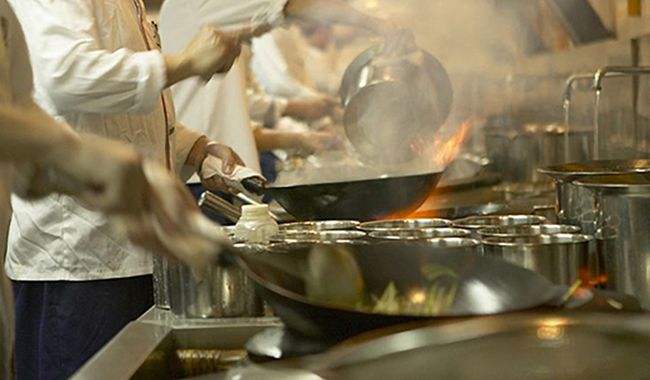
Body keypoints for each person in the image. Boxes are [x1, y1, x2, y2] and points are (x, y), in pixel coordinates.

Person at [5, 0, 253, 378]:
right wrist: (186, 62)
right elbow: (66, 75)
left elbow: (57, 109)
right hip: (80, 263)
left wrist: (195, 149)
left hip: (134, 250)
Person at [159, 0, 392, 200]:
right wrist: (382, 26)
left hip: (220, 172)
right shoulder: (197, 3)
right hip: (201, 179)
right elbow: (296, 5)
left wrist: (302, 138)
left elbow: (237, 110)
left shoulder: (221, 24)